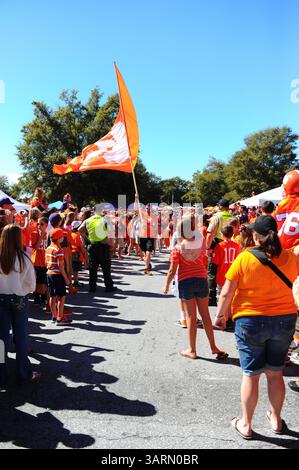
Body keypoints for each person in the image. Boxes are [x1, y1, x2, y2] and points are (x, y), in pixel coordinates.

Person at [215, 216, 298, 439]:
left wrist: (220, 316)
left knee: (251, 375)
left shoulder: (244, 258)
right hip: (284, 320)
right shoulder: (291, 257)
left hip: (250, 321)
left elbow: (226, 292)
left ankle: (246, 424)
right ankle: (276, 419)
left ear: (254, 236)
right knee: (275, 373)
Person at [163, 215, 228, 360]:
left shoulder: (178, 248)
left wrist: (166, 285)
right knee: (205, 315)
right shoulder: (201, 242)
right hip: (201, 279)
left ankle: (192, 350)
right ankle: (213, 346)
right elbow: (205, 260)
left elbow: (172, 270)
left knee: (191, 317)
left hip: (186, 282)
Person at [0, 224, 40, 387]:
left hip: (1, 299)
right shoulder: (24, 258)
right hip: (19, 299)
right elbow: (32, 285)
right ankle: (24, 373)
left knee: (1, 339)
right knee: (21, 337)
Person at [79, 205, 116, 293]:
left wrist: (87, 239)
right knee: (106, 267)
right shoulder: (105, 220)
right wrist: (112, 245)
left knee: (93, 268)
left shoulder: (88, 220)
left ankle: (92, 287)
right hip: (103, 246)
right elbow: (111, 234)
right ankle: (109, 286)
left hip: (92, 245)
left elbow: (80, 230)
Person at [206, 199, 232, 306]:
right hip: (231, 245)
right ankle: (228, 295)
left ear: (220, 207)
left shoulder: (217, 217)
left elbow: (210, 233)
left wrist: (207, 248)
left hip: (218, 246)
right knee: (229, 271)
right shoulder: (233, 216)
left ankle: (211, 298)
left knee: (212, 271)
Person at [45, 228, 72, 325]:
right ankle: (60, 318)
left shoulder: (48, 248)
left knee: (52, 296)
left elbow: (46, 262)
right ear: (59, 238)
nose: (63, 238)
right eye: (62, 237)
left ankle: (54, 316)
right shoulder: (59, 250)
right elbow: (61, 267)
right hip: (57, 275)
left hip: (49, 274)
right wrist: (67, 279)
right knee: (61, 297)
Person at [30, 216, 48, 308]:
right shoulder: (34, 233)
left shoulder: (48, 234)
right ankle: (37, 297)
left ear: (46, 225)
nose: (39, 226)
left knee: (44, 281)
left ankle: (43, 297)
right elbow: (36, 247)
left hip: (45, 261)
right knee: (37, 281)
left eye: (42, 224)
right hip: (36, 261)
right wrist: (41, 236)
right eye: (38, 224)